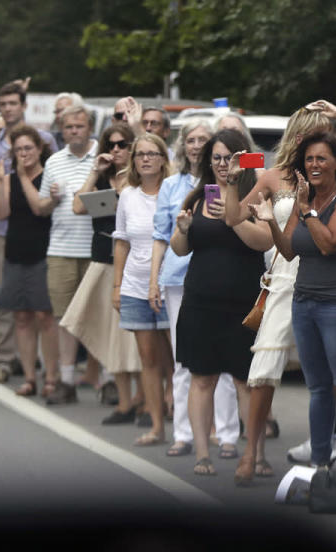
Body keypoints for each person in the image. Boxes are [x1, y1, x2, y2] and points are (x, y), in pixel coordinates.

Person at [251, 131, 336, 470]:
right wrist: (271, 221)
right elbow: (288, 250)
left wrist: (305, 210)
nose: (314, 164)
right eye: (309, 159)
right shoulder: (305, 201)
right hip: (304, 302)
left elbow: (330, 243)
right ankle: (320, 465)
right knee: (318, 387)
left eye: (321, 158)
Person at [170, 129, 272, 476]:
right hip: (200, 300)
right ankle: (202, 454)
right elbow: (179, 248)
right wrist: (183, 228)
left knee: (247, 381)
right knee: (202, 378)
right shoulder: (197, 197)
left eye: (230, 157)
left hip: (244, 303)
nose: (223, 164)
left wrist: (233, 214)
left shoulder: (256, 196)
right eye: (216, 157)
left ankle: (255, 455)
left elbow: (263, 242)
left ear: (243, 159)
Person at [151, 119, 239, 456]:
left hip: (230, 283)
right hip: (181, 281)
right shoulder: (178, 187)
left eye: (205, 139)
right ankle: (184, 433)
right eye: (192, 139)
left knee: (228, 364)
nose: (198, 145)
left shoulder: (244, 184)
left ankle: (226, 432)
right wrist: (154, 280)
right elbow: (165, 238)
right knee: (185, 362)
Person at [65, 125, 145, 425]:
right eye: (110, 144)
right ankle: (126, 402)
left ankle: (142, 399)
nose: (115, 150)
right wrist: (94, 170)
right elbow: (76, 206)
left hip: (133, 265)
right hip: (102, 261)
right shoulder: (100, 177)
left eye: (122, 144)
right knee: (112, 336)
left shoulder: (140, 180)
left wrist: (126, 177)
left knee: (134, 339)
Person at [0, 81, 59, 385]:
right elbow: (1, 211)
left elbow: (41, 207)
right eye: (18, 149)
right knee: (17, 314)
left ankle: (50, 374)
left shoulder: (47, 169)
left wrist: (22, 174)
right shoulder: (3, 165)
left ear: (40, 149)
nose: (23, 153)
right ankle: (21, 372)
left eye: (28, 148)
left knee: (43, 315)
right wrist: (0, 178)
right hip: (11, 247)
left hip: (42, 250)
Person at [22, 104, 99, 404]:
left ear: (89, 127)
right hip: (61, 250)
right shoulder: (53, 161)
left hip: (96, 250)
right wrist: (51, 200)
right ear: (61, 130)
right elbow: (39, 208)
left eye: (79, 126)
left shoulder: (102, 157)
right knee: (64, 319)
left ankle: (102, 377)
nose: (74, 131)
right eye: (68, 127)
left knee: (96, 317)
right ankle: (66, 381)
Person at [113, 133, 176, 446]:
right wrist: (117, 284)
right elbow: (121, 239)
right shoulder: (127, 195)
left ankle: (189, 425)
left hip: (170, 283)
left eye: (153, 153)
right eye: (140, 154)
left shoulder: (175, 189)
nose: (146, 159)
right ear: (134, 160)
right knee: (147, 359)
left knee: (178, 355)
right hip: (135, 284)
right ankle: (156, 427)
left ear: (164, 158)